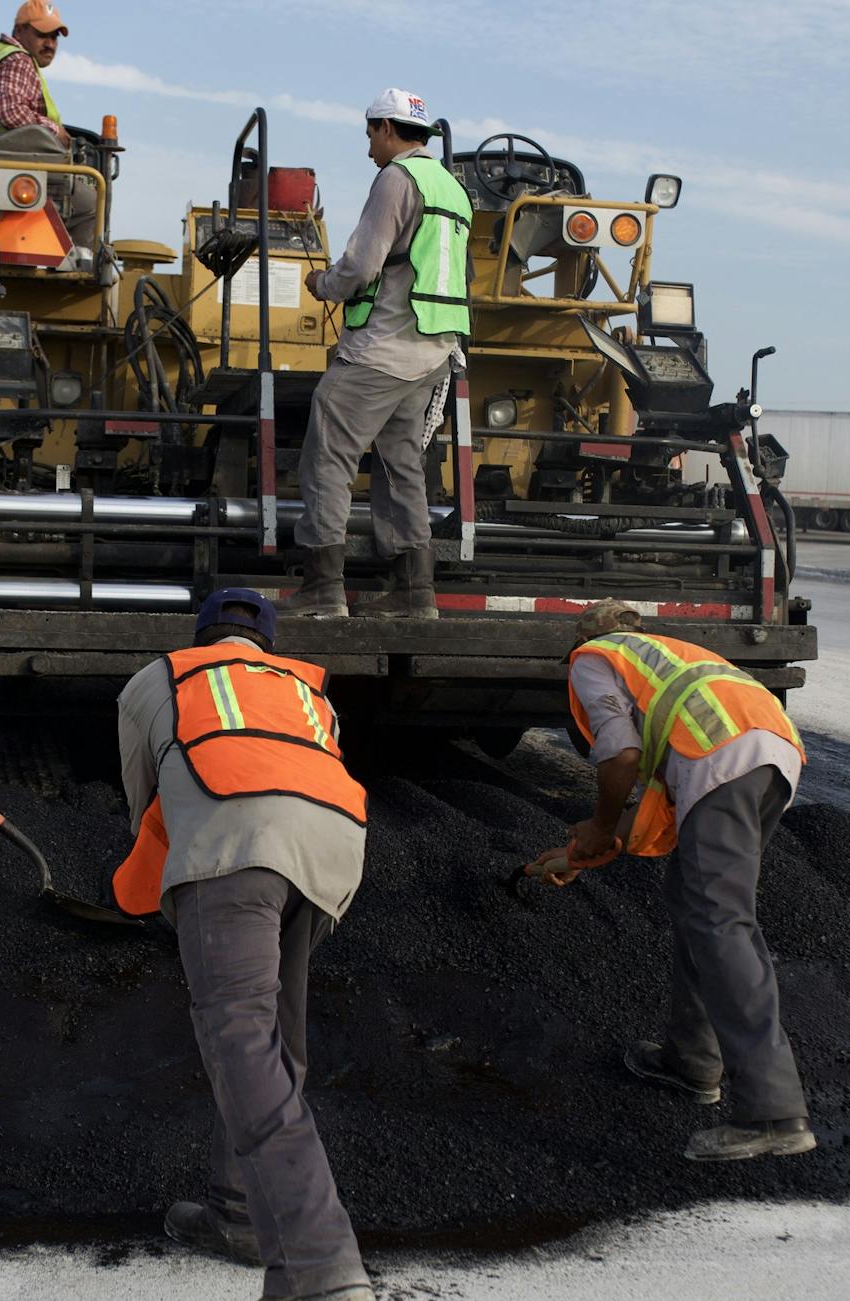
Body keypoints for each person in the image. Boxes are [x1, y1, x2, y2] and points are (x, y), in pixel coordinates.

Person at [113, 588, 373, 1301]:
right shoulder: (307, 688)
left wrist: (147, 890)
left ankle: (316, 1264)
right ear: (268, 646)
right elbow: (311, 775)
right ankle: (237, 1211)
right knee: (275, 1038)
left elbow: (150, 805)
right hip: (334, 851)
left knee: (238, 1036)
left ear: (200, 636)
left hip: (235, 843)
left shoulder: (160, 678)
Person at [538, 600, 815, 1161]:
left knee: (721, 922)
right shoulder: (672, 658)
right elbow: (653, 805)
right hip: (772, 757)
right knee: (696, 902)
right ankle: (691, 1061)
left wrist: (597, 825)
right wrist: (592, 844)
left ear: (582, 640)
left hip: (723, 761)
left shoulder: (594, 657)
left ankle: (773, 1113)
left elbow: (620, 755)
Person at [291, 88, 472, 621]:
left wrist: (324, 284)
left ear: (386, 129)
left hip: (382, 348)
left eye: (370, 134)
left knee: (327, 453)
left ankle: (323, 587)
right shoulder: (452, 188)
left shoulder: (396, 179)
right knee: (401, 466)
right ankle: (415, 591)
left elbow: (362, 267)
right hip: (433, 350)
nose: (369, 146)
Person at [0, 1, 99, 251]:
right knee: (92, 202)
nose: (50, 44)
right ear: (20, 30)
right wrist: (56, 131)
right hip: (19, 172)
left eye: (54, 37)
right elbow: (10, 112)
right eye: (42, 35)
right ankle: (79, 264)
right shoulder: (18, 60)